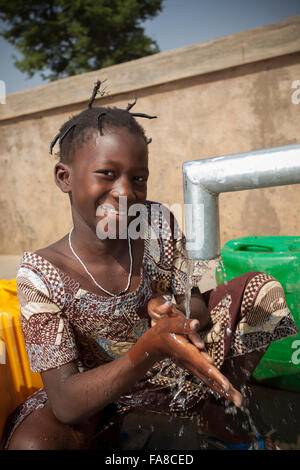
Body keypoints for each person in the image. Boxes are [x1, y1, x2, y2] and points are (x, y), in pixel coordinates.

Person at [1, 81, 298, 451]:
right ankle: (141, 425)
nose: (125, 192)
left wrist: (179, 316)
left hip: (176, 368)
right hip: (106, 390)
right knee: (34, 444)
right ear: (65, 177)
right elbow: (64, 402)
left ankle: (214, 408)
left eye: (137, 178)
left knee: (261, 292)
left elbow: (198, 308)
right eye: (106, 174)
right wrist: (148, 348)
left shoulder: (155, 222)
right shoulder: (41, 272)